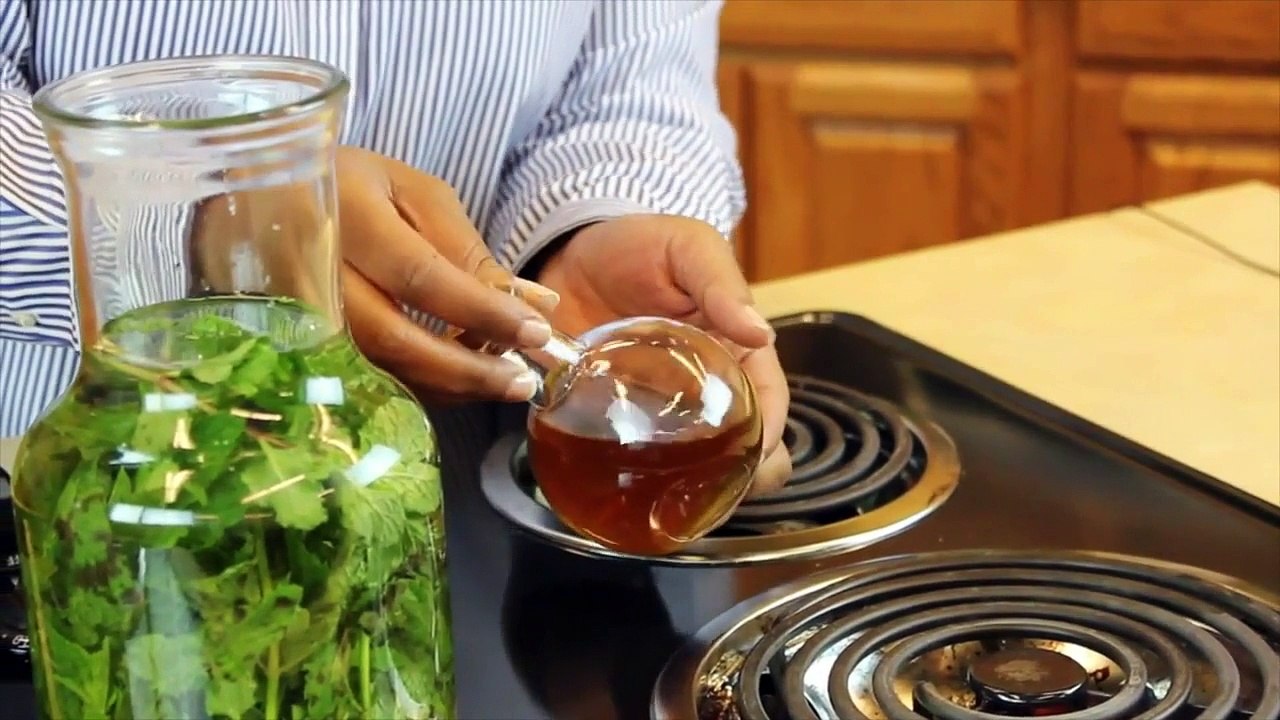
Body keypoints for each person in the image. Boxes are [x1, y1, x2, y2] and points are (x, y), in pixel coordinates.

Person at [0, 0, 791, 493]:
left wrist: (583, 233)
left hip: (456, 479)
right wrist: (209, 231)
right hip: (99, 472)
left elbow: (634, 79)